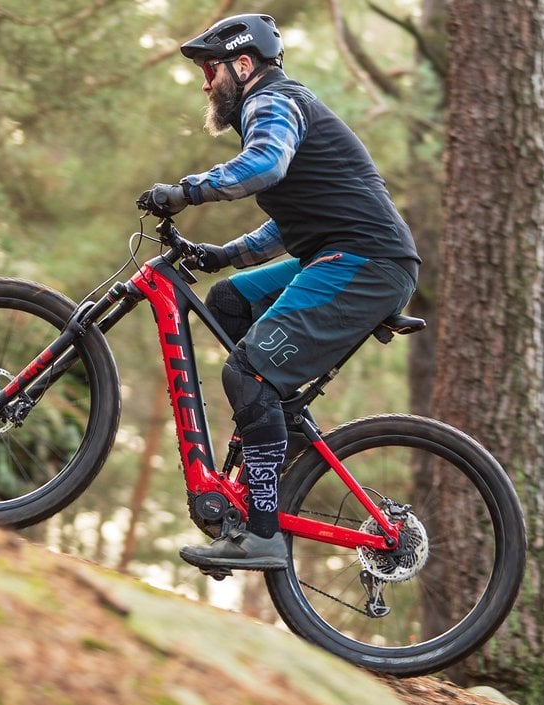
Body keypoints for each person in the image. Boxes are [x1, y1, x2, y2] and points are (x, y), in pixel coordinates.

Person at [137, 13, 421, 572]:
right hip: (338, 255)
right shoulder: (274, 109)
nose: (205, 82)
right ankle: (279, 428)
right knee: (228, 302)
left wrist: (186, 192)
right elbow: (286, 225)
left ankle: (261, 533)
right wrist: (221, 256)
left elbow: (266, 165)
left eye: (210, 69)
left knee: (246, 373)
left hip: (366, 263)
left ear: (244, 66)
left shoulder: (272, 101)